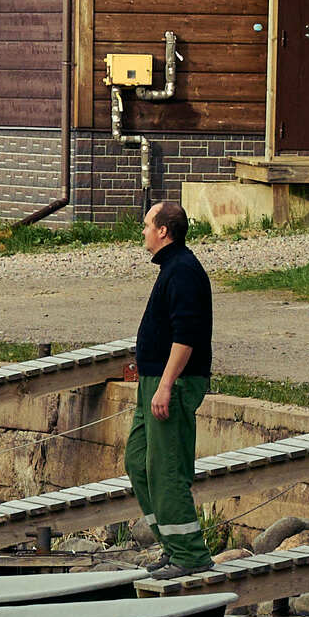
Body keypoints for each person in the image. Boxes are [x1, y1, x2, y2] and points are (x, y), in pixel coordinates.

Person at [129, 199, 213, 575]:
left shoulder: (183, 271)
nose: (143, 231)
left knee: (166, 469)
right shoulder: (171, 268)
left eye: (147, 224)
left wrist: (165, 385)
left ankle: (189, 555)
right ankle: (171, 543)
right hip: (152, 382)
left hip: (171, 385)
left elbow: (187, 335)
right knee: (138, 461)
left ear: (164, 230)